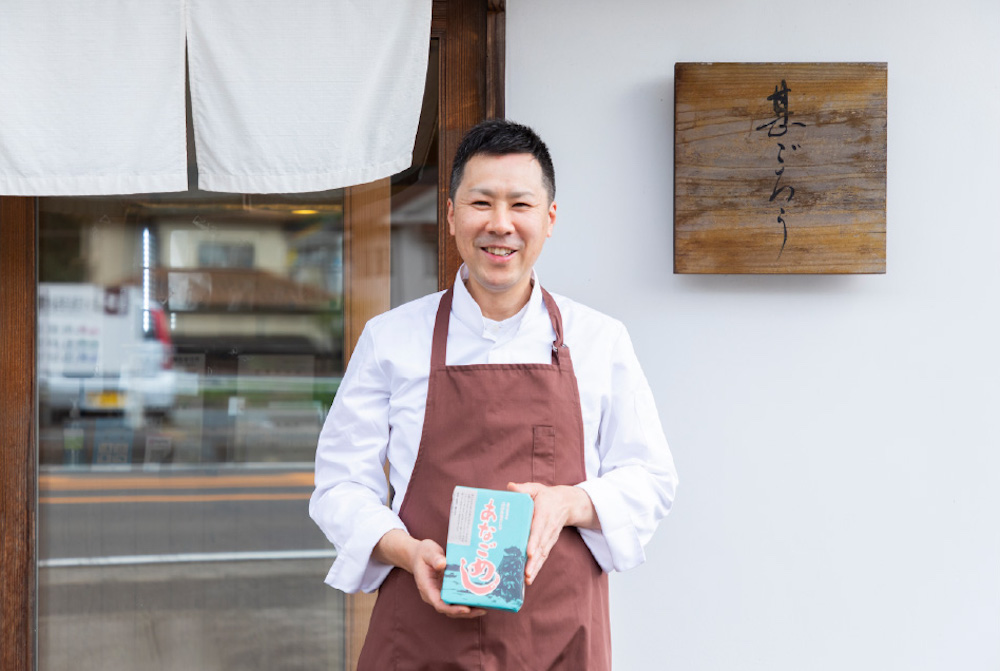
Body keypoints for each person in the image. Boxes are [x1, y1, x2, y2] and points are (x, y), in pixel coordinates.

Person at [310, 119, 677, 670]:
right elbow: (340, 484)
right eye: (481, 203)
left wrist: (568, 502)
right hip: (421, 634)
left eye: (520, 205)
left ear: (549, 218)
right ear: (451, 215)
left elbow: (650, 478)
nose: (500, 224)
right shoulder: (391, 339)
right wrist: (405, 551)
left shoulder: (599, 340)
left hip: (558, 636)